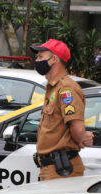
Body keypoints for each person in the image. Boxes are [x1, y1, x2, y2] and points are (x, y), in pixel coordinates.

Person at [30, 39, 94, 181]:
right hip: (53, 169)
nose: (37, 60)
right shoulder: (53, 88)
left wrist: (81, 137)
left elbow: (77, 129)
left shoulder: (66, 89)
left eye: (41, 57)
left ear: (53, 59)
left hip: (61, 169)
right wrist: (81, 137)